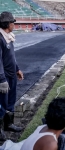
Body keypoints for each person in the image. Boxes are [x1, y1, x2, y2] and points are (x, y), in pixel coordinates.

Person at [0, 11, 24, 141]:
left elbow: (11, 57)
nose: (14, 25)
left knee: (10, 102)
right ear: (7, 24)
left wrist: (17, 69)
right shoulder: (0, 38)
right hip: (3, 78)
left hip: (11, 75)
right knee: (1, 103)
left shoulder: (8, 36)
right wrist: (2, 79)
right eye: (12, 22)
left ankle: (8, 125)